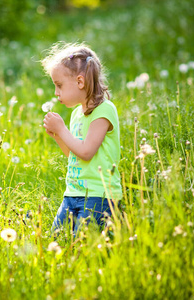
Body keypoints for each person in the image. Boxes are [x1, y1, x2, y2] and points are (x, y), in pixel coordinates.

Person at [41, 42, 122, 234]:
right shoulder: (77, 113)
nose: (56, 92)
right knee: (57, 240)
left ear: (80, 82)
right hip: (73, 192)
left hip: (98, 196)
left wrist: (62, 130)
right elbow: (73, 153)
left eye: (59, 85)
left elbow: (86, 152)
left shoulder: (104, 110)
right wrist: (58, 136)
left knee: (84, 247)